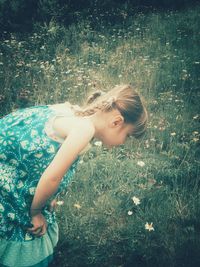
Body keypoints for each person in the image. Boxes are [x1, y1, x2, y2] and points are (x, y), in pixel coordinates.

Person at [0, 84, 148, 267]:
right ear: (116, 122)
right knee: (28, 225)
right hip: (8, 173)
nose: (124, 143)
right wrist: (36, 212)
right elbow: (52, 177)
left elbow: (43, 158)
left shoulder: (75, 113)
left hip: (11, 164)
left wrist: (48, 197)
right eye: (127, 136)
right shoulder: (84, 129)